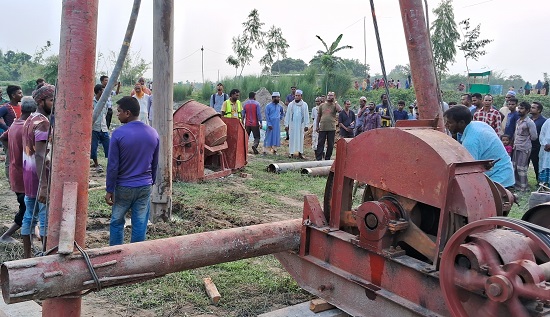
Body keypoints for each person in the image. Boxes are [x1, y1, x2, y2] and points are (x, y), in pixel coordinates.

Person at [105, 96, 159, 246]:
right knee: (140, 223)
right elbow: (155, 163)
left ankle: (115, 255)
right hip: (144, 186)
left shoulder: (118, 134)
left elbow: (113, 166)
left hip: (124, 187)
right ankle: (138, 258)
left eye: (119, 111)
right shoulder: (153, 133)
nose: (117, 114)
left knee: (116, 221)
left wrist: (110, 189)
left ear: (127, 113)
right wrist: (151, 181)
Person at [443, 105, 514, 187]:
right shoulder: (478, 124)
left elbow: (469, 170)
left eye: (450, 122)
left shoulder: (470, 141)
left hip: (498, 178)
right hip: (505, 170)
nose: (446, 125)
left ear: (461, 123)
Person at [21, 85, 55, 258]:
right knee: (45, 219)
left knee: (29, 217)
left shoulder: (30, 119)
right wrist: (44, 185)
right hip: (40, 176)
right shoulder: (43, 122)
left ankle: (27, 256)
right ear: (41, 101)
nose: (55, 104)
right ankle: (46, 256)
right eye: (51, 100)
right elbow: (40, 155)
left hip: (29, 176)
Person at [0, 97, 37, 242]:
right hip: (23, 176)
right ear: (33, 113)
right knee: (26, 208)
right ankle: (6, 235)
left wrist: (11, 152)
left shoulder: (15, 124)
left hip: (16, 172)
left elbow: (3, 138)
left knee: (28, 206)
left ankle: (31, 232)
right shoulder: (26, 128)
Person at [512, 102, 537, 192]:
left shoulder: (530, 122)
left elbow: (534, 137)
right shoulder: (518, 121)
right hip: (516, 147)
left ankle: (523, 187)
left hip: (524, 148)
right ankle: (516, 185)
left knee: (521, 168)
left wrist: (525, 140)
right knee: (515, 166)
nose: (519, 110)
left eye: (522, 109)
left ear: (527, 110)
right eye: (519, 108)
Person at [316, 91, 342, 160]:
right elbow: (318, 116)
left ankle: (327, 158)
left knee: (330, 144)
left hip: (331, 128)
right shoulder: (322, 105)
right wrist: (317, 126)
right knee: (320, 143)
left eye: (331, 95)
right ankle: (318, 158)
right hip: (322, 127)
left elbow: (340, 111)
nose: (329, 97)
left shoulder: (334, 105)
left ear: (334, 97)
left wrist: (335, 102)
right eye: (328, 95)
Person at [284, 89, 309, 158]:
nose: (297, 97)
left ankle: (300, 153)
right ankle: (291, 153)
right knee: (291, 138)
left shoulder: (304, 105)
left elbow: (306, 115)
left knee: (301, 139)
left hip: (301, 125)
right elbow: (288, 115)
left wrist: (306, 125)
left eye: (298, 96)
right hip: (292, 125)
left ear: (301, 96)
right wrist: (286, 125)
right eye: (296, 95)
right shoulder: (291, 105)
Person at [91, 84, 110, 173]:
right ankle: (97, 165)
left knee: (108, 147)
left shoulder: (105, 102)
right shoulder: (92, 102)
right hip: (94, 128)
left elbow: (105, 114)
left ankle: (110, 165)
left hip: (103, 127)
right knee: (93, 148)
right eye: (103, 90)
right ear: (99, 91)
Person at [529, 102, 546, 182]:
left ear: (539, 110)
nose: (531, 109)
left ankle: (539, 181)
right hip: (527, 145)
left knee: (537, 165)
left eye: (533, 108)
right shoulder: (529, 119)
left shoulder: (543, 121)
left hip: (537, 146)